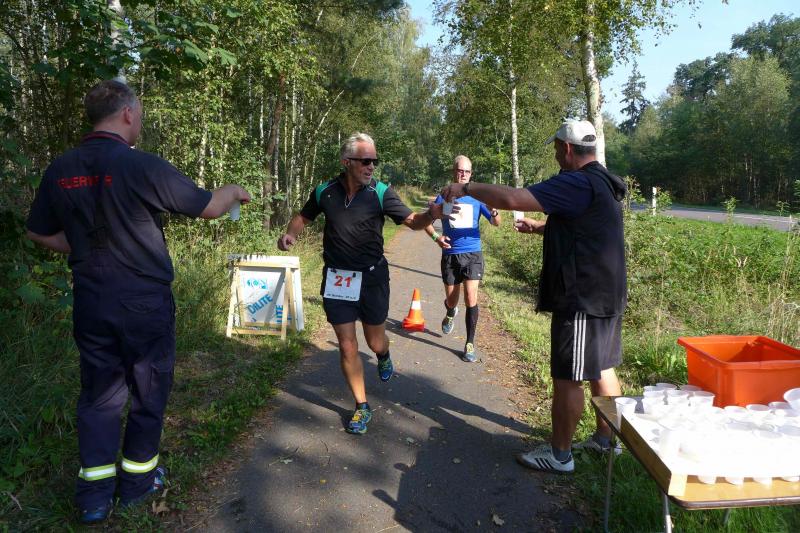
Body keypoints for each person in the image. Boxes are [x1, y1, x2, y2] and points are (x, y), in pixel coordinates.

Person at [25, 79, 251, 523]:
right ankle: (136, 485)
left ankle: (93, 499)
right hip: (143, 301)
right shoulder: (140, 165)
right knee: (148, 391)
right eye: (140, 113)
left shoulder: (61, 168)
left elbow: (38, 231)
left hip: (91, 298)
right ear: (127, 113)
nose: (140, 121)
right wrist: (232, 191)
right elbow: (207, 206)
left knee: (99, 395)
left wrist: (82, 245)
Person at [441, 119, 627, 473]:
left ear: (567, 149)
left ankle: (560, 455)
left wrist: (466, 189)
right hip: (607, 292)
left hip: (582, 297)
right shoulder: (602, 180)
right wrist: (543, 227)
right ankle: (607, 441)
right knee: (601, 366)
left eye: (556, 148)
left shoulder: (576, 181)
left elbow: (514, 198)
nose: (556, 155)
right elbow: (587, 229)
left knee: (568, 376)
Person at [278, 132, 451, 435]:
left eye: (374, 161)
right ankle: (361, 405)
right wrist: (290, 234)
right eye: (365, 161)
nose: (371, 166)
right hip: (337, 279)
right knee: (347, 345)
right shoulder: (324, 191)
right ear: (347, 162)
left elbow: (413, 221)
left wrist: (431, 216)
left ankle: (383, 355)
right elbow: (303, 218)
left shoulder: (381, 193)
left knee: (374, 341)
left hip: (372, 278)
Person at [425, 155, 501, 361]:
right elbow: (426, 221)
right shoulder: (445, 196)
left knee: (470, 297)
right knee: (452, 300)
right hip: (450, 254)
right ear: (454, 172)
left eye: (467, 171)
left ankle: (469, 343)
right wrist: (437, 238)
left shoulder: (479, 198)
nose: (463, 174)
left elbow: (496, 223)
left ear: (471, 174)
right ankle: (450, 311)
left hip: (473, 253)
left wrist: (494, 211)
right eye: (460, 171)